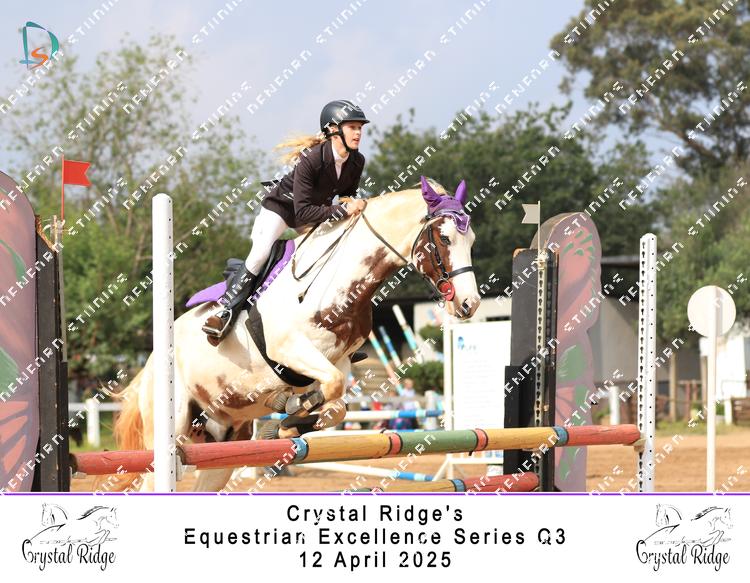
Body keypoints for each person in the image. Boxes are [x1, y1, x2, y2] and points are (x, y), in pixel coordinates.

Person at [203, 100, 369, 344]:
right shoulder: (311, 159)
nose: (358, 133)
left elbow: (346, 195)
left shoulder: (356, 161)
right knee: (260, 254)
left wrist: (355, 205)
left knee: (331, 251)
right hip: (281, 208)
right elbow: (303, 212)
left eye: (360, 128)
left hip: (314, 211)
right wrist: (343, 210)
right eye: (352, 127)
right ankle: (225, 312)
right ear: (334, 131)